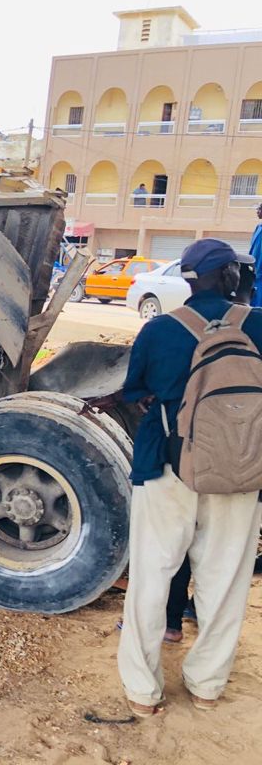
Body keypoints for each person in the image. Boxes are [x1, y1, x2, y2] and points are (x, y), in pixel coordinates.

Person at [118, 238, 262, 717]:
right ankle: (206, 686)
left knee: (150, 579)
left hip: (165, 467)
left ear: (189, 280)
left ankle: (143, 693)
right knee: (225, 580)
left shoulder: (159, 330)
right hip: (240, 473)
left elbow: (135, 390)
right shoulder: (258, 324)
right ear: (229, 276)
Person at [250, 203, 262, 307]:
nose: (257, 211)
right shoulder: (258, 228)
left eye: (259, 209)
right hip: (254, 272)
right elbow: (252, 249)